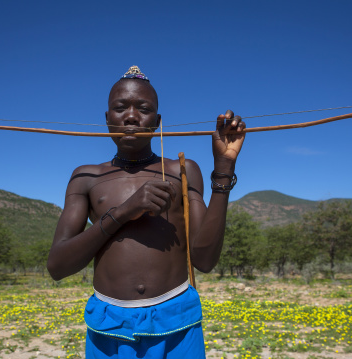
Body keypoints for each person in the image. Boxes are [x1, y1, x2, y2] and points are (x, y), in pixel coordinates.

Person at [47, 66, 246, 358]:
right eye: (120, 108)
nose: (130, 116)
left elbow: (205, 259)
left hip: (178, 320)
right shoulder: (85, 178)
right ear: (106, 119)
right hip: (109, 325)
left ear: (157, 121)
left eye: (143, 108)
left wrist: (224, 170)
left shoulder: (183, 170)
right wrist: (124, 211)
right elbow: (58, 266)